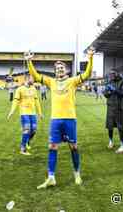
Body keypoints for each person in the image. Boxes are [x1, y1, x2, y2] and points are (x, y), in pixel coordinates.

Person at [26, 48, 93, 189]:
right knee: (52, 146)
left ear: (66, 70)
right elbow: (36, 76)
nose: (60, 70)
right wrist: (29, 61)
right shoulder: (51, 82)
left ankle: (76, 173)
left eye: (62, 67)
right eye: (57, 68)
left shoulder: (73, 81)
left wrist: (90, 57)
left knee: (73, 147)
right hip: (55, 119)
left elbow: (86, 74)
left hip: (69, 119)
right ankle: (51, 177)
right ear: (55, 71)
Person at [7, 75, 42, 155]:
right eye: (32, 79)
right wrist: (12, 111)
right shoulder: (20, 89)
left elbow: (37, 101)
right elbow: (15, 101)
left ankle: (27, 141)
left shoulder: (34, 89)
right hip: (24, 112)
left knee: (34, 130)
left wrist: (39, 112)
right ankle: (22, 149)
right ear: (27, 79)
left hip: (33, 113)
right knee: (27, 129)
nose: (33, 80)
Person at [103, 69, 123, 153]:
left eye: (112, 75)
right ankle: (111, 141)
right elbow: (105, 94)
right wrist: (107, 92)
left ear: (116, 74)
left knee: (120, 127)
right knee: (110, 126)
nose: (111, 76)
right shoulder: (109, 82)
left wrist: (114, 90)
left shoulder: (122, 82)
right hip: (110, 107)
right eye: (110, 75)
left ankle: (122, 144)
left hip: (119, 107)